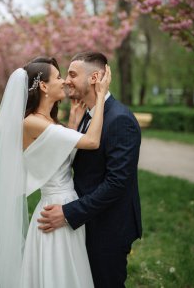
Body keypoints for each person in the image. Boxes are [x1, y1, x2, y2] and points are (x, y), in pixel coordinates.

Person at [0, 56, 111, 288]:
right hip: (56, 210)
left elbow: (55, 158)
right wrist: (101, 97)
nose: (64, 82)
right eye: (59, 77)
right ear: (43, 86)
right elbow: (91, 142)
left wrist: (71, 124)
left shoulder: (45, 122)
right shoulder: (32, 123)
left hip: (64, 205)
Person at [37, 52, 142, 288]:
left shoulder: (120, 120)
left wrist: (67, 212)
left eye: (73, 74)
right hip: (88, 222)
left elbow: (116, 183)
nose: (66, 80)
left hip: (109, 228)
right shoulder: (86, 115)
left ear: (95, 77)